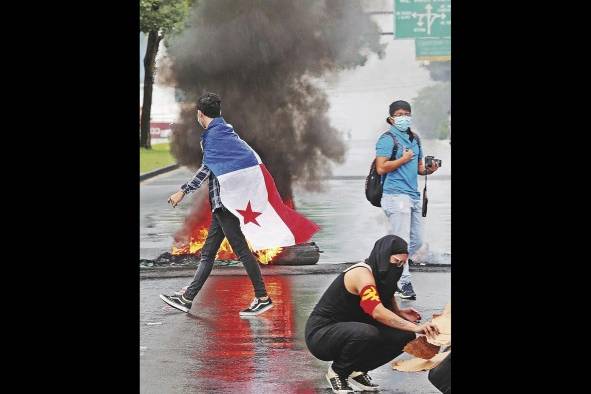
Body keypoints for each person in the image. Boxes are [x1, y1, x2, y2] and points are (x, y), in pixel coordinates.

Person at [159, 92, 273, 316]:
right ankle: (187, 298)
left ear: (200, 115)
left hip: (226, 204)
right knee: (208, 254)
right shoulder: (226, 132)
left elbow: (207, 168)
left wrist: (183, 191)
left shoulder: (214, 136)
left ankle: (263, 297)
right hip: (222, 204)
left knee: (241, 251)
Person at [305, 235, 439, 393]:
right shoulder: (361, 274)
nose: (398, 267)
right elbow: (377, 312)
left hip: (351, 330)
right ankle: (338, 373)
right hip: (321, 335)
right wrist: (415, 327)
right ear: (382, 257)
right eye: (396, 262)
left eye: (402, 264)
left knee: (404, 337)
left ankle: (355, 370)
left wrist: (399, 313)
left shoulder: (382, 274)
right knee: (368, 333)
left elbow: (385, 295)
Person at [374, 100, 439, 300]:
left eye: (407, 113)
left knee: (417, 241)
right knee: (400, 242)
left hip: (413, 195)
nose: (404, 117)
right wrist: (403, 159)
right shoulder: (387, 139)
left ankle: (383, 262)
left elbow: (419, 168)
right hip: (395, 195)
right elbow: (381, 168)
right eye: (400, 114)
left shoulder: (414, 139)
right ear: (392, 118)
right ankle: (402, 282)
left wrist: (430, 169)